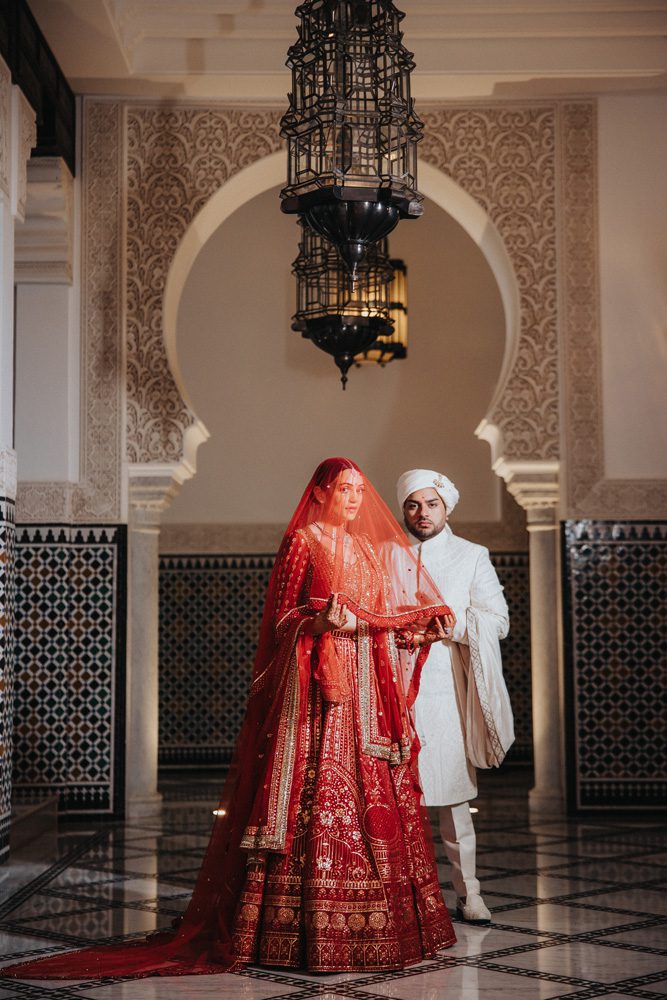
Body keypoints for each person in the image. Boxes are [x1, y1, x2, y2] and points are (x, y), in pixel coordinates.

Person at [3, 458, 456, 980]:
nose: (354, 499)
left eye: (359, 489)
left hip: (361, 697)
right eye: (344, 489)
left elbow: (383, 619)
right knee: (312, 799)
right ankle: (292, 931)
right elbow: (282, 617)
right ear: (321, 492)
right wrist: (317, 620)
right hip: (311, 694)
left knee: (366, 795)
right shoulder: (303, 542)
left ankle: (377, 928)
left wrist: (419, 633)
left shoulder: (366, 550)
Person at [392, 468, 514, 926]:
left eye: (431, 504)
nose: (422, 514)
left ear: (447, 507)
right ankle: (400, 898)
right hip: (393, 690)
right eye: (413, 504)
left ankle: (470, 895)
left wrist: (456, 626)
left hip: (446, 690)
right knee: (394, 802)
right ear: (403, 508)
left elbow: (497, 621)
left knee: (453, 803)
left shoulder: (471, 556)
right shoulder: (386, 555)